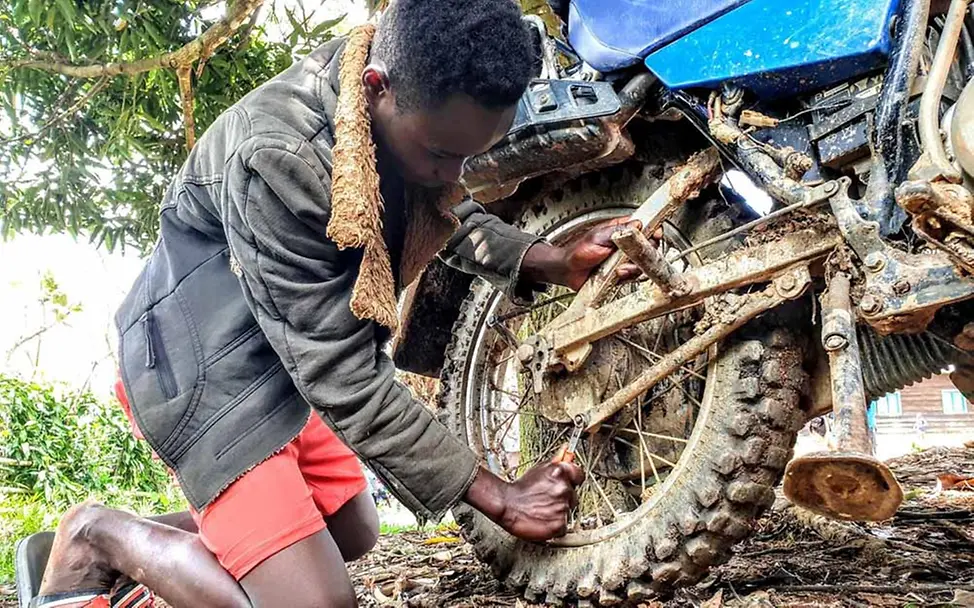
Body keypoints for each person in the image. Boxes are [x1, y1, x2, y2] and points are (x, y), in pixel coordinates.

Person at [29, 1, 641, 607]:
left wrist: (549, 259)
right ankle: (97, 534)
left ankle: (207, 544)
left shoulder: (394, 103)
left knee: (352, 527)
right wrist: (499, 495)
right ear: (378, 89)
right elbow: (341, 374)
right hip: (200, 371)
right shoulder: (280, 158)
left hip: (276, 354)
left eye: (468, 156)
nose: (452, 174)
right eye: (440, 154)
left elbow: (436, 204)